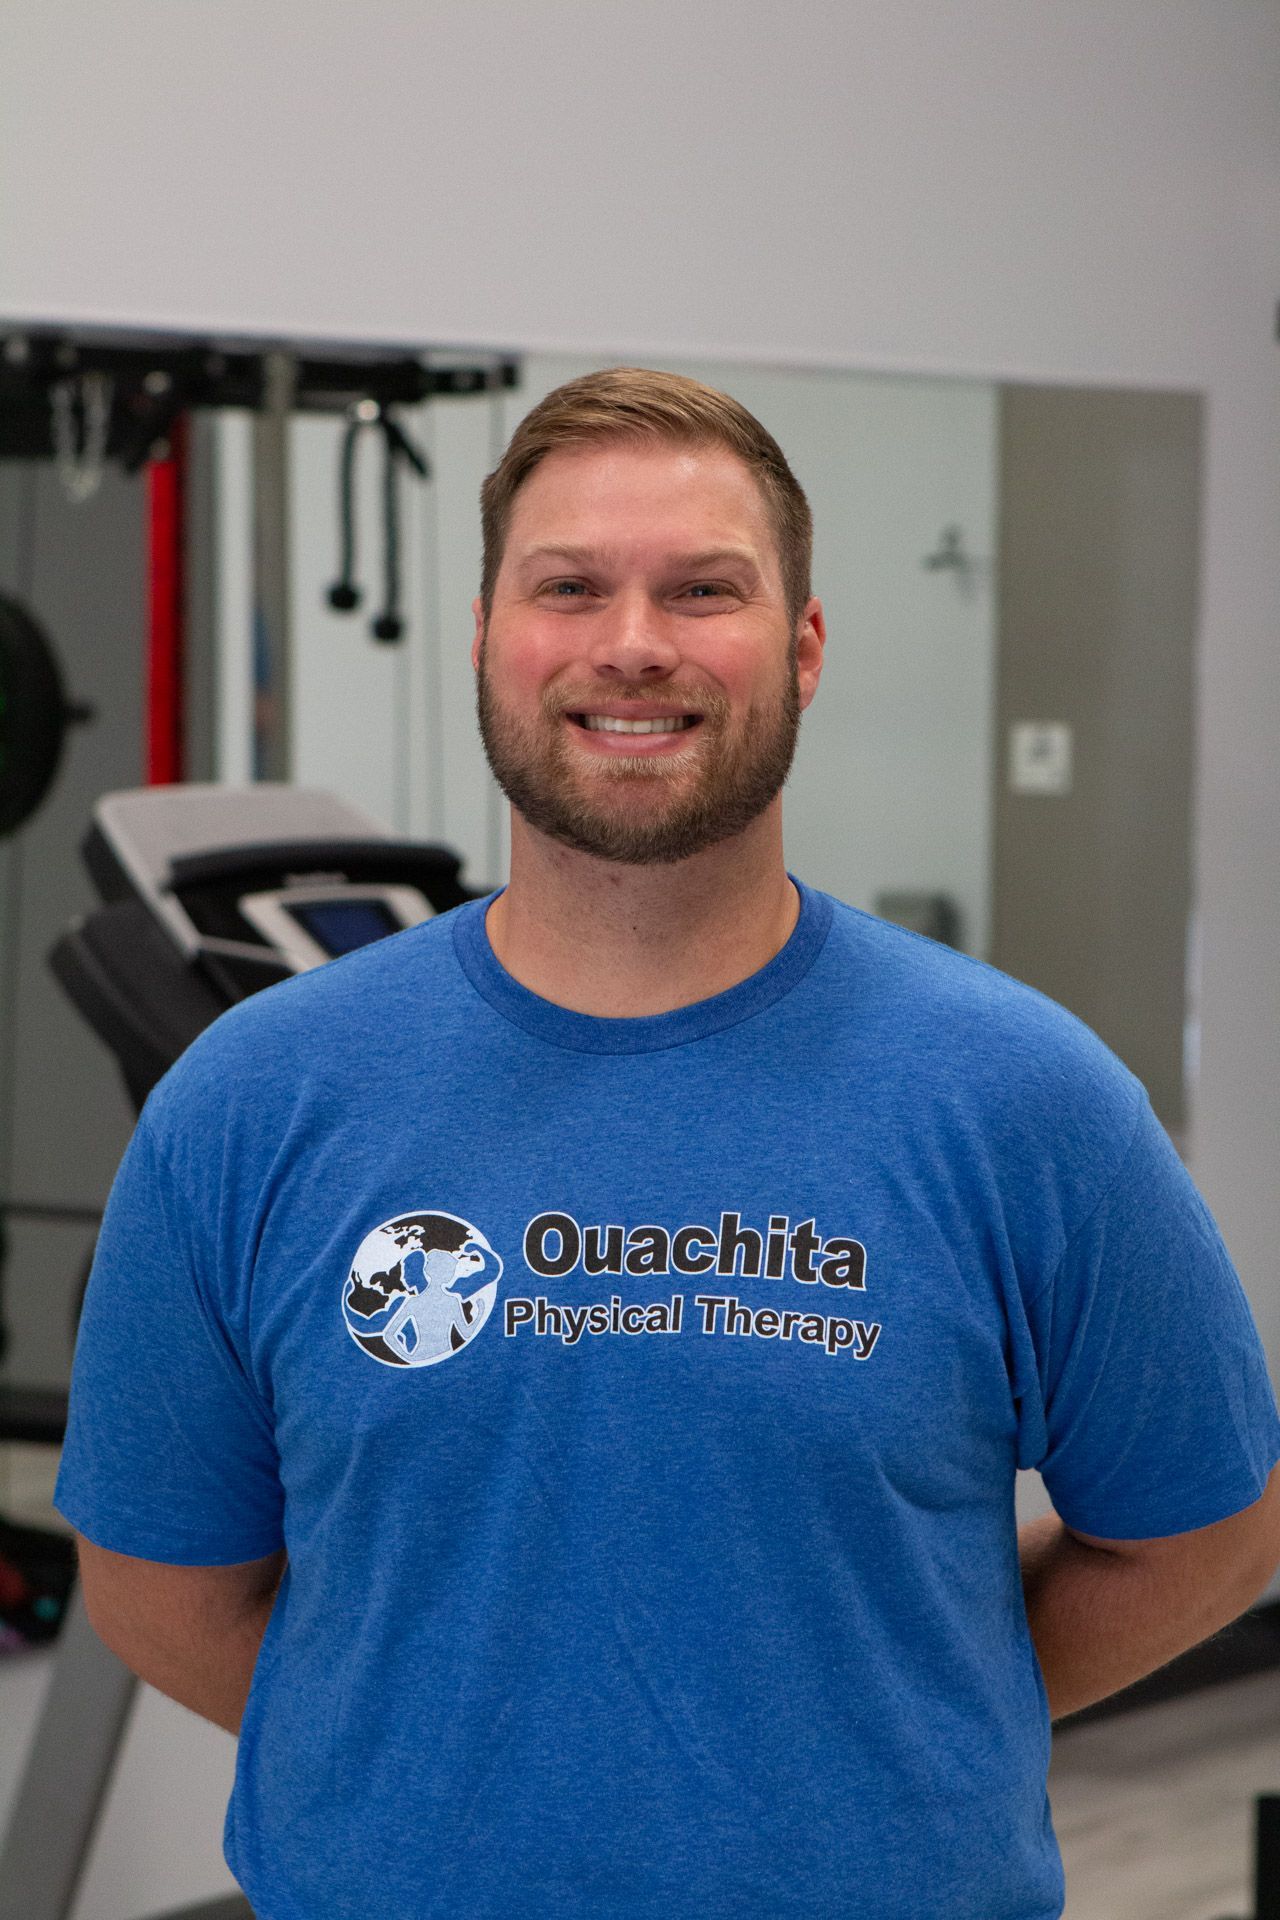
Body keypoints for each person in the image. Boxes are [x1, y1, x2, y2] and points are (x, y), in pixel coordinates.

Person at [56, 367, 1280, 1920]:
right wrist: (425, 1773)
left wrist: (890, 1741)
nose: (633, 642)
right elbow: (163, 1584)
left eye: (705, 589)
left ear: (807, 646)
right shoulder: (251, 1103)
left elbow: (1203, 1539)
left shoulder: (1026, 1100)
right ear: (488, 635)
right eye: (568, 586)